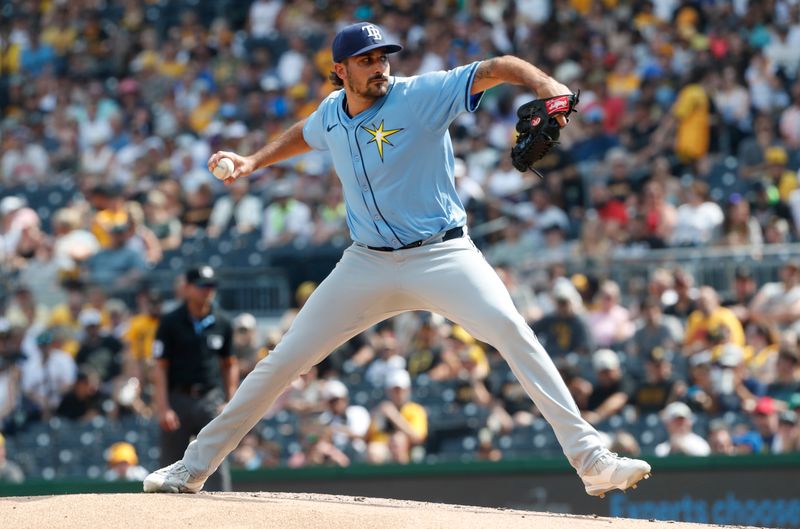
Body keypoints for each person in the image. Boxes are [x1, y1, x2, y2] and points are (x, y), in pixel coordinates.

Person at [144, 21, 651, 497]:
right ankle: (194, 468)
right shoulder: (331, 112)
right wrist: (253, 160)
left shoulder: (419, 96)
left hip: (443, 254)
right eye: (366, 60)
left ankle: (592, 461)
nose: (380, 65)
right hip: (366, 264)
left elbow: (497, 67)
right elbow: (306, 131)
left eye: (384, 56)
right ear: (340, 70)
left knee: (512, 331)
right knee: (282, 361)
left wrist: (546, 87)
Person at [150, 265, 239, 491]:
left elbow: (230, 364)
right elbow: (159, 367)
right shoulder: (170, 322)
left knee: (215, 461)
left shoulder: (223, 322)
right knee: (170, 464)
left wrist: (230, 400)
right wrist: (163, 407)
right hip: (178, 399)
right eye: (202, 286)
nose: (207, 291)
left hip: (210, 399)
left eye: (211, 286)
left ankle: (224, 515)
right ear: (187, 288)